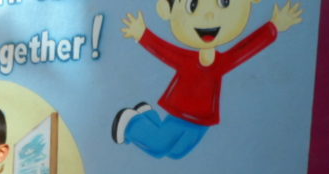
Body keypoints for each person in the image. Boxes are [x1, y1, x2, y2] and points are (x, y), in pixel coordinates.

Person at [113, 0, 303, 159]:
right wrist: (142, 34)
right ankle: (131, 123)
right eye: (193, 5)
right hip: (180, 111)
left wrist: (274, 26)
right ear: (168, 10)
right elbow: (165, 52)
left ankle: (147, 117)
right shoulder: (188, 60)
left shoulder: (222, 62)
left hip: (203, 119)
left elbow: (246, 49)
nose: (210, 16)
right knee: (159, 147)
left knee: (176, 153)